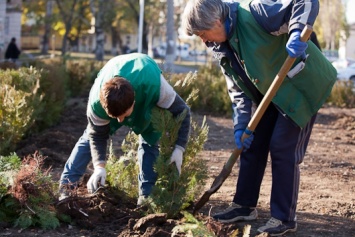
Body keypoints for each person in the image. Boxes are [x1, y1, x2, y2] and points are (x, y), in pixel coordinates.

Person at [182, 0, 336, 236]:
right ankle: (244, 205)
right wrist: (241, 126)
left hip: (302, 85)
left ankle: (284, 218)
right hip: (273, 92)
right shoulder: (222, 47)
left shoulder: (256, 13)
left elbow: (303, 2)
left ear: (216, 21)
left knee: (282, 146)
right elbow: (238, 90)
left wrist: (296, 31)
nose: (204, 41)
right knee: (252, 143)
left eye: (203, 34)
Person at [59, 53, 191, 205]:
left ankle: (146, 197)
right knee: (90, 136)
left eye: (123, 115)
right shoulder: (96, 104)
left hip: (144, 77)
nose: (121, 121)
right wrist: (99, 167)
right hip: (114, 69)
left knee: (150, 136)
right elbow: (97, 136)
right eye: (115, 117)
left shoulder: (156, 87)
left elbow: (183, 111)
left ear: (134, 102)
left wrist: (179, 148)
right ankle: (66, 187)